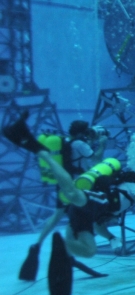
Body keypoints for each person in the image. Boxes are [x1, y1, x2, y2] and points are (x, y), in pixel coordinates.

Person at [4, 112, 135, 295]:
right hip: (89, 196)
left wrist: (111, 238)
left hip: (86, 211)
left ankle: (62, 247)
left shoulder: (71, 144)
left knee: (89, 250)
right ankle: (39, 150)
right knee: (73, 194)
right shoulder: (131, 186)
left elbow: (98, 225)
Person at [20, 120, 108, 281]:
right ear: (82, 132)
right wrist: (102, 144)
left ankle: (37, 245)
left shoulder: (65, 141)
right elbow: (96, 159)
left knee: (57, 216)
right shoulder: (80, 144)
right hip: (78, 186)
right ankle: (66, 248)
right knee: (79, 216)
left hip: (63, 185)